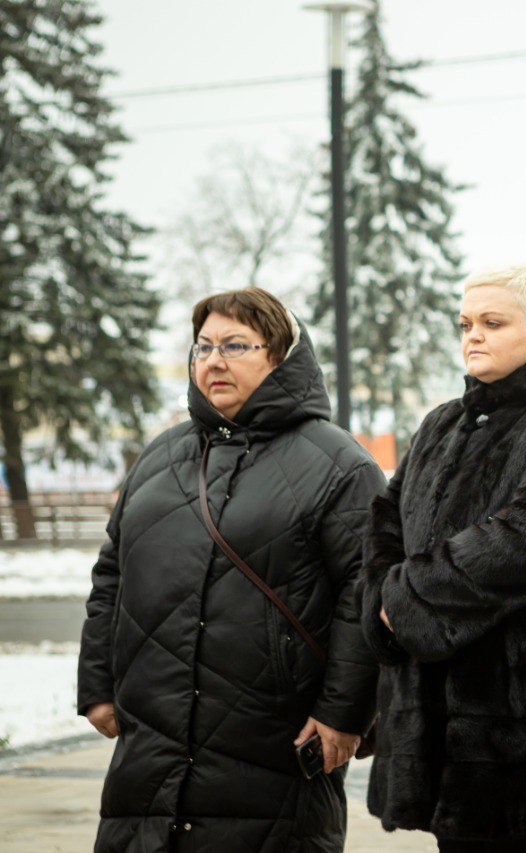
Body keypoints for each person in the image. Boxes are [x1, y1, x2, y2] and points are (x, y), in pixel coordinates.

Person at [77, 287, 385, 852]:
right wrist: (96, 685)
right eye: (203, 347)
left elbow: (365, 595)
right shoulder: (158, 456)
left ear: (281, 357)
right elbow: (112, 574)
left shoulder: (340, 463)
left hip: (275, 749)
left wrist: (345, 714)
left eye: (236, 345)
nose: (214, 360)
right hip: (149, 755)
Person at [359, 265, 526, 852]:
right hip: (430, 707)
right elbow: (384, 520)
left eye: (493, 323)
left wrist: (407, 601)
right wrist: (382, 602)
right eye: (465, 323)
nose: (473, 335)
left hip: (508, 720)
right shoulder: (443, 421)